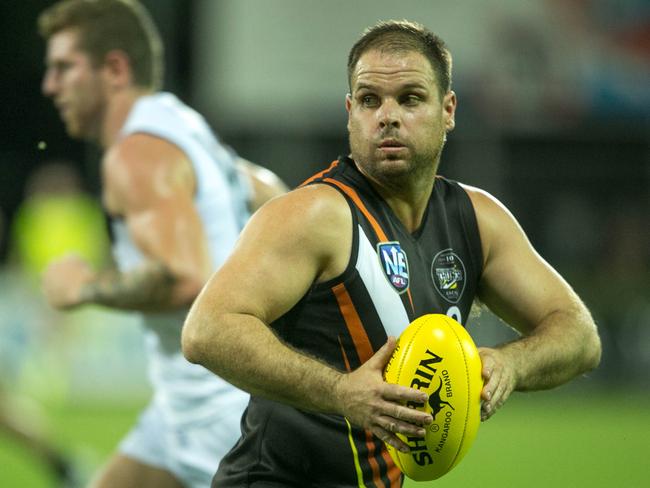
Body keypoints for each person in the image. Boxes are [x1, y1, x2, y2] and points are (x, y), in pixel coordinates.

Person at [181, 20, 602, 487]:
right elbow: (207, 330)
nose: (387, 115)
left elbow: (579, 335)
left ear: (448, 110)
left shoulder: (476, 220)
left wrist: (512, 365)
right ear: (349, 113)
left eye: (410, 98)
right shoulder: (317, 213)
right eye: (369, 100)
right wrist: (340, 391)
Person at [38, 1, 286, 487]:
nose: (50, 85)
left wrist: (84, 287)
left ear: (114, 69)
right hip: (185, 410)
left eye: (65, 67)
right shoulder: (180, 122)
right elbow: (273, 194)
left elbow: (182, 278)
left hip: (218, 415)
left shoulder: (136, 155)